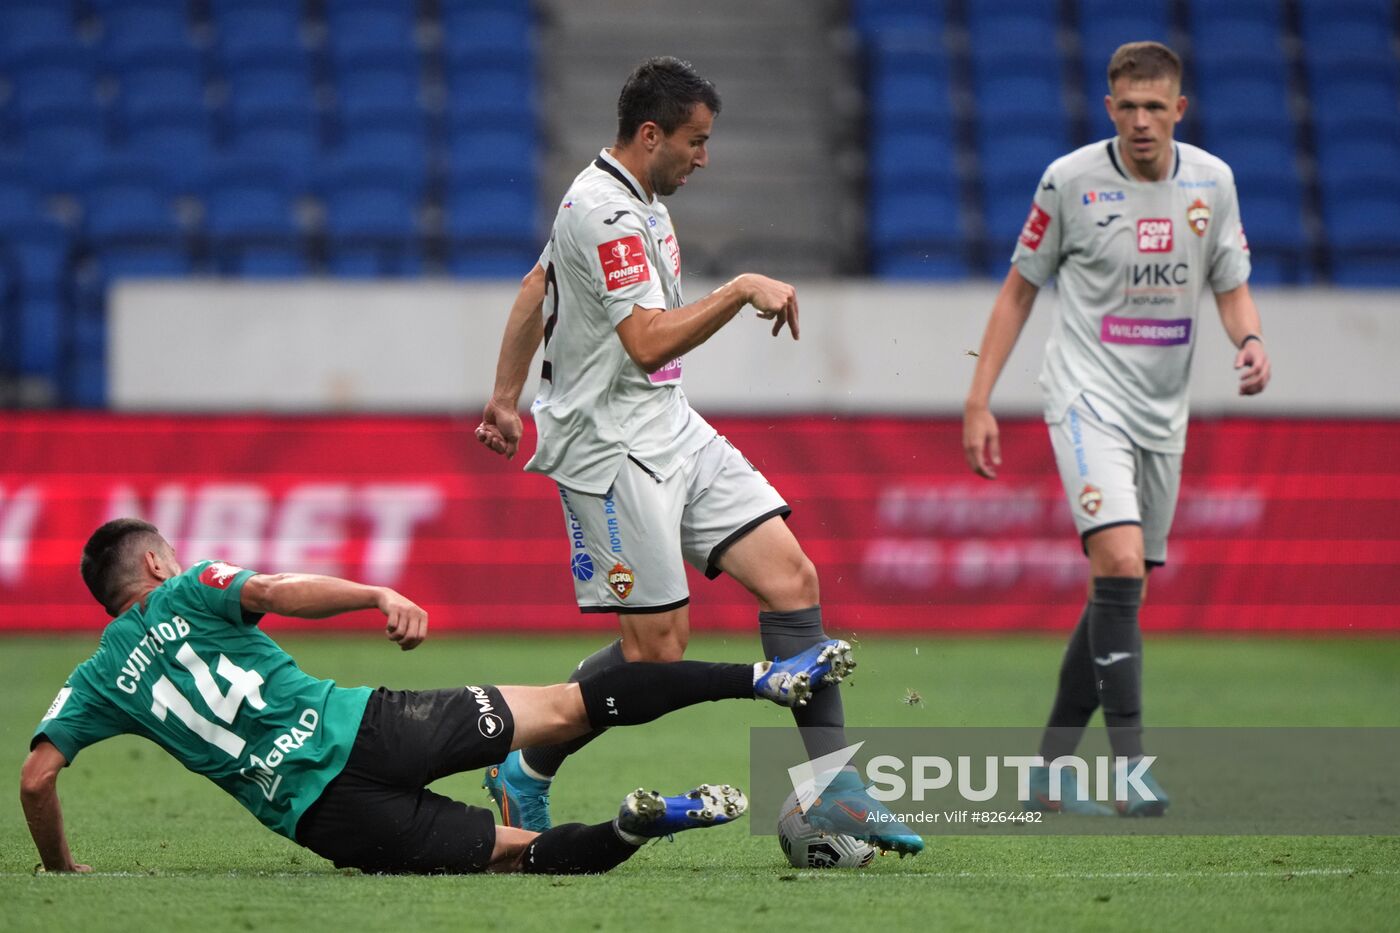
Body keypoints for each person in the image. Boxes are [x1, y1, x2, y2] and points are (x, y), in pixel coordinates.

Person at [474, 56, 922, 854]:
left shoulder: (633, 196)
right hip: (608, 449)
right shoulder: (605, 213)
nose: (703, 157)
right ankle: (526, 765)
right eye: (695, 140)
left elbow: (535, 287)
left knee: (792, 577)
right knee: (658, 652)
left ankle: (834, 791)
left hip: (669, 424)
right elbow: (645, 342)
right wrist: (740, 286)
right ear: (650, 135)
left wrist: (506, 399)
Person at [20, 518, 855, 874]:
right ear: (159, 566)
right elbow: (275, 587)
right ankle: (762, 678)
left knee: (522, 854)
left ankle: (636, 821)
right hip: (374, 728)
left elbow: (35, 778)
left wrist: (60, 866)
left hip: (325, 820)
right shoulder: (191, 587)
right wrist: (376, 595)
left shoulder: (95, 680)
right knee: (570, 705)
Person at [962, 41, 1271, 815]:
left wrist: (1251, 340)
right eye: (1127, 107)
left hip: (1163, 412)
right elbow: (1017, 293)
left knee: (1117, 583)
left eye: (1154, 108)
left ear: (1179, 110)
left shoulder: (1214, 182)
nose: (1140, 121)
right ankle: (1131, 772)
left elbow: (1230, 286)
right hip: (1084, 396)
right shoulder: (1069, 182)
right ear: (1109, 108)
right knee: (1123, 561)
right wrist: (978, 399)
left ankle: (1046, 768)